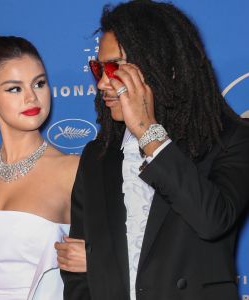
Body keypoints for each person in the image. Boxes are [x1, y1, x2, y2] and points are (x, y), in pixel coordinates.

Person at [60, 1, 249, 300]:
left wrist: (148, 132)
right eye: (98, 68)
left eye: (114, 68)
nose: (102, 83)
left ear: (166, 68)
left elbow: (212, 220)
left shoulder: (230, 140)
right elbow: (77, 269)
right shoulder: (99, 156)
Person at [0, 35, 85, 300]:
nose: (32, 97)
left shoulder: (74, 170)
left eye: (39, 83)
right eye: (14, 88)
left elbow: (109, 261)